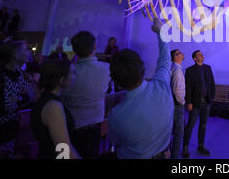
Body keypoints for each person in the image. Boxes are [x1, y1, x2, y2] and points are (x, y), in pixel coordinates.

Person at [108, 18, 173, 159]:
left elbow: (116, 141)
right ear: (142, 68)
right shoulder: (162, 87)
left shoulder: (116, 115)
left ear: (116, 80)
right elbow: (165, 59)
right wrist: (160, 32)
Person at [61, 31, 110, 159]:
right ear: (95, 47)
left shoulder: (66, 71)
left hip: (68, 128)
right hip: (94, 128)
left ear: (74, 49)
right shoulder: (106, 68)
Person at [0, 41, 32, 158]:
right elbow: (8, 106)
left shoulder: (19, 73)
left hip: (12, 129)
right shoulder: (0, 76)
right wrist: (21, 98)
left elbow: (30, 96)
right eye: (26, 49)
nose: (29, 52)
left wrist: (19, 98)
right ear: (16, 55)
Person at [31, 59, 81, 159]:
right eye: (73, 73)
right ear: (62, 80)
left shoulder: (45, 98)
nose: (76, 76)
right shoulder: (54, 106)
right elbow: (63, 150)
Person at [182, 50, 216, 158]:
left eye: (202, 54)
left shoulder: (208, 68)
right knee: (190, 126)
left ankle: (201, 146)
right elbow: (188, 88)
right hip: (195, 103)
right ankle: (185, 147)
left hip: (206, 102)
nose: (202, 55)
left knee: (203, 126)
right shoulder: (190, 70)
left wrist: (211, 97)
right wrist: (189, 102)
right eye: (199, 55)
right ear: (194, 58)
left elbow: (212, 84)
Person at [170, 49, 186, 159]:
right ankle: (175, 156)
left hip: (175, 103)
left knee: (174, 129)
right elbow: (176, 89)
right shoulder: (176, 70)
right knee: (178, 132)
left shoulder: (176, 68)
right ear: (175, 57)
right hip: (177, 104)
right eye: (179, 53)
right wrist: (182, 102)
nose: (182, 53)